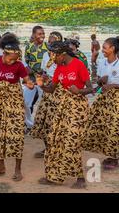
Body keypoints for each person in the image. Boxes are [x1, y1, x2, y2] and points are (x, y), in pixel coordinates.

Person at [37, 41, 93, 189]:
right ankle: (54, 176)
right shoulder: (59, 68)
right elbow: (51, 89)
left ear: (62, 54)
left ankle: (80, 178)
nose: (52, 58)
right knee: (55, 139)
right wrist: (41, 84)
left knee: (72, 142)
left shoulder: (78, 64)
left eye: (54, 55)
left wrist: (79, 91)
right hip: (63, 108)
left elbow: (91, 88)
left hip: (78, 108)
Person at [0, 33, 34, 182]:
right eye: (11, 58)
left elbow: (26, 81)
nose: (14, 61)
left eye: (16, 58)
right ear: (4, 54)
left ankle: (18, 169)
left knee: (16, 135)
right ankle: (1, 166)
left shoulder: (19, 65)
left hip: (15, 104)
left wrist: (30, 85)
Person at [83, 38, 119, 170]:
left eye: (105, 47)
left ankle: (114, 159)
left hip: (117, 100)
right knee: (100, 126)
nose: (102, 50)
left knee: (114, 128)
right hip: (104, 99)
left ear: (113, 49)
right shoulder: (102, 63)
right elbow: (100, 82)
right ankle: (110, 156)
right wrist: (101, 81)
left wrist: (113, 85)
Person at [30, 31, 63, 159]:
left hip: (58, 91)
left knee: (54, 122)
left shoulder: (61, 58)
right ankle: (48, 148)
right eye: (49, 41)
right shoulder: (45, 55)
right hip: (47, 90)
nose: (50, 43)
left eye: (53, 41)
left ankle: (55, 150)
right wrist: (42, 78)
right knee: (42, 120)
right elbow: (44, 71)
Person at [24, 26, 48, 117]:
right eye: (39, 34)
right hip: (32, 78)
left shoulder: (47, 47)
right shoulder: (28, 47)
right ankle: (28, 123)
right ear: (34, 35)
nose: (42, 36)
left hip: (43, 78)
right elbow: (26, 62)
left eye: (43, 33)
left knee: (44, 102)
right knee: (29, 102)